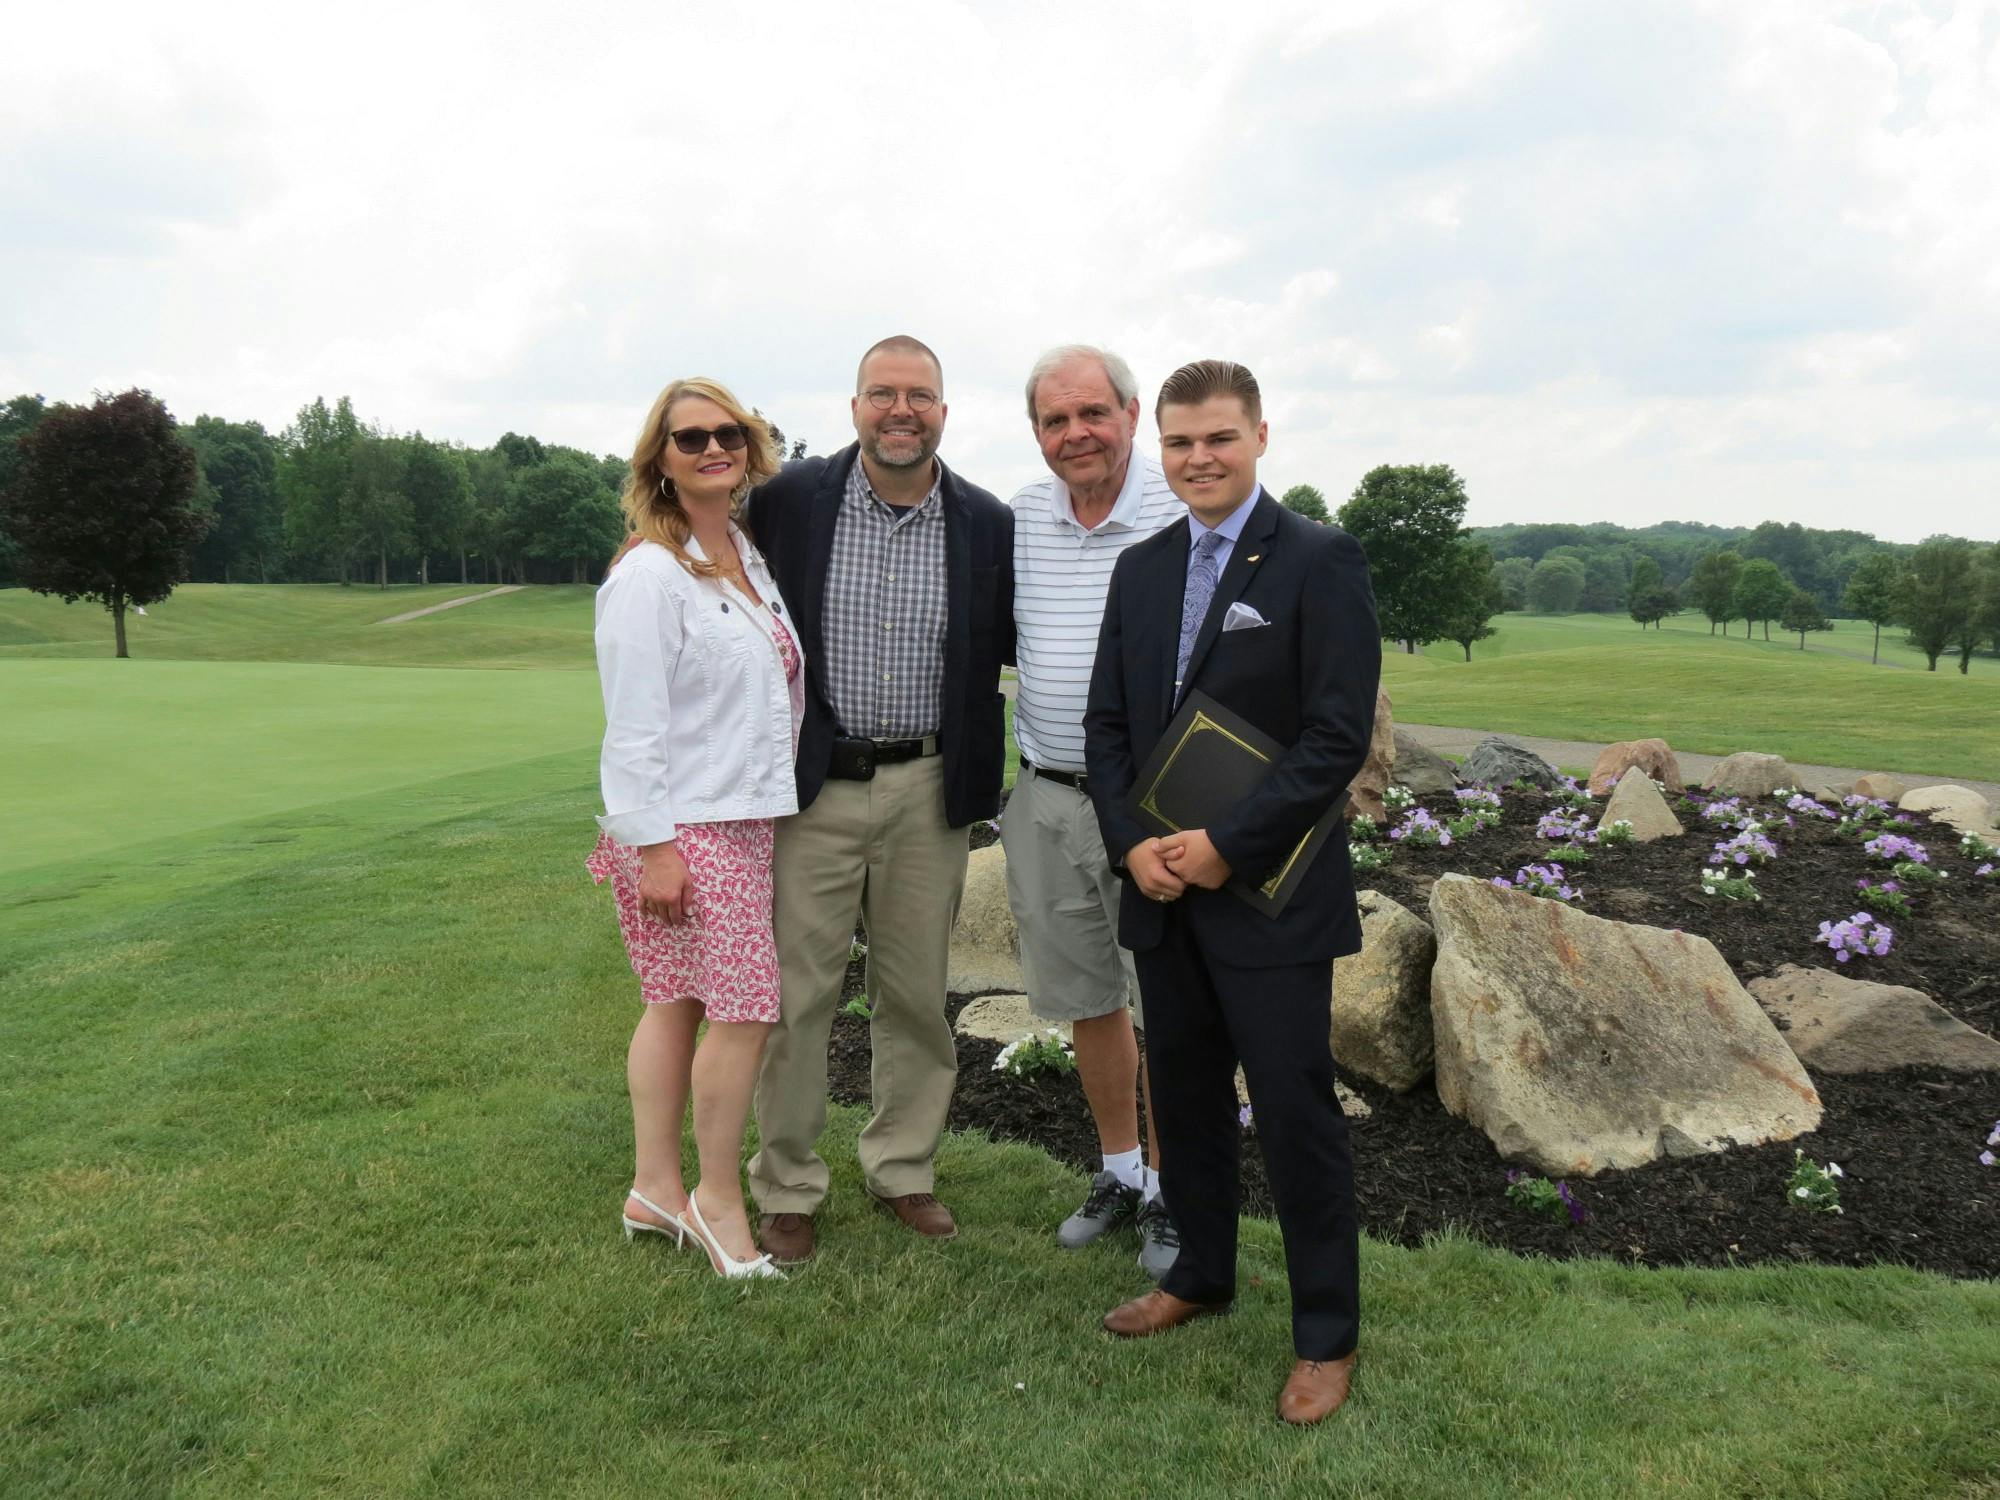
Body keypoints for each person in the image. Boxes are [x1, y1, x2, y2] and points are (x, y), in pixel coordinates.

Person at [1082, 359, 1381, 1425]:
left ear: (1258, 436)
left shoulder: (1317, 561)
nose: (1196, 459)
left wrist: (1224, 845)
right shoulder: (1141, 568)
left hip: (1269, 892)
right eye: (1177, 442)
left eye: (1216, 438)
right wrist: (1131, 846)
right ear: (1154, 446)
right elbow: (1105, 727)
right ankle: (1198, 1273)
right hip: (1161, 893)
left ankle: (1324, 1336)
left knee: (1294, 1110)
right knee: (1187, 1094)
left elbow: (1334, 735)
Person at [744, 335, 1014, 1264]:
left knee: (913, 993)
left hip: (931, 787)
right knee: (796, 995)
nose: (902, 411)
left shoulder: (986, 523)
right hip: (813, 787)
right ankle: (786, 1184)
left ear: (945, 409)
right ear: (855, 405)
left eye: (921, 396)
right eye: (882, 394)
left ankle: (904, 1169)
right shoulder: (787, 503)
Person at [588, 377, 806, 1281]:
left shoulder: (744, 556)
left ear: (750, 448)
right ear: (661, 464)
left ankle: (652, 1189)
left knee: (676, 1000)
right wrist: (655, 847)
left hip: (743, 817)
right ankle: (717, 1200)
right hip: (687, 828)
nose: (713, 448)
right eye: (691, 439)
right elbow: (631, 723)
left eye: (729, 434)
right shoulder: (648, 573)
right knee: (747, 1010)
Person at [1005, 345, 1186, 1277]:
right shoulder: (1024, 519)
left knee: (1171, 1003)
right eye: (1053, 420)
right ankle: (1119, 1170)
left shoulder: (1179, 510)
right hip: (1045, 797)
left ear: (1129, 412)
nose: (1075, 434)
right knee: (1087, 998)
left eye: (1092, 414)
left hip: (1153, 808)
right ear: (1036, 432)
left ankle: (1172, 1186)